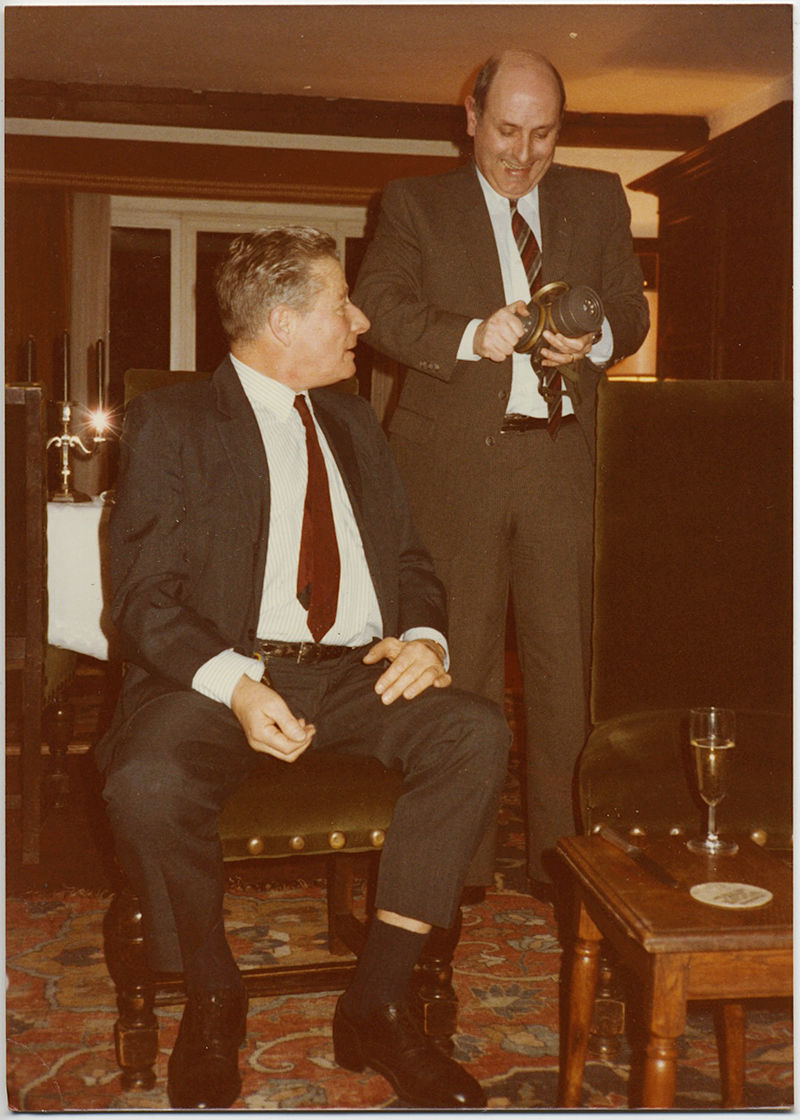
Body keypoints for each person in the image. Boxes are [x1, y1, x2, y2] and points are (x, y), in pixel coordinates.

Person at [97, 227, 509, 1110]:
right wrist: (239, 685)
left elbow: (408, 559)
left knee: (473, 731)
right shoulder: (174, 421)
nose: (362, 322)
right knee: (144, 781)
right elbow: (141, 599)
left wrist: (424, 638)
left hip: (356, 672)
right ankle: (213, 992)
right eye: (342, 305)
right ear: (283, 322)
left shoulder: (354, 420)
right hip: (224, 675)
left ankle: (378, 1002)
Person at [353, 50, 650, 896]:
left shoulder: (600, 197)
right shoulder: (413, 203)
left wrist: (593, 340)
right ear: (472, 118)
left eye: (543, 135)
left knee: (568, 677)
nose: (523, 154)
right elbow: (378, 307)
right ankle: (457, 868)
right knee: (461, 668)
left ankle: (565, 866)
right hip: (455, 470)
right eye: (508, 131)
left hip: (563, 464)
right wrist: (468, 334)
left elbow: (630, 310)